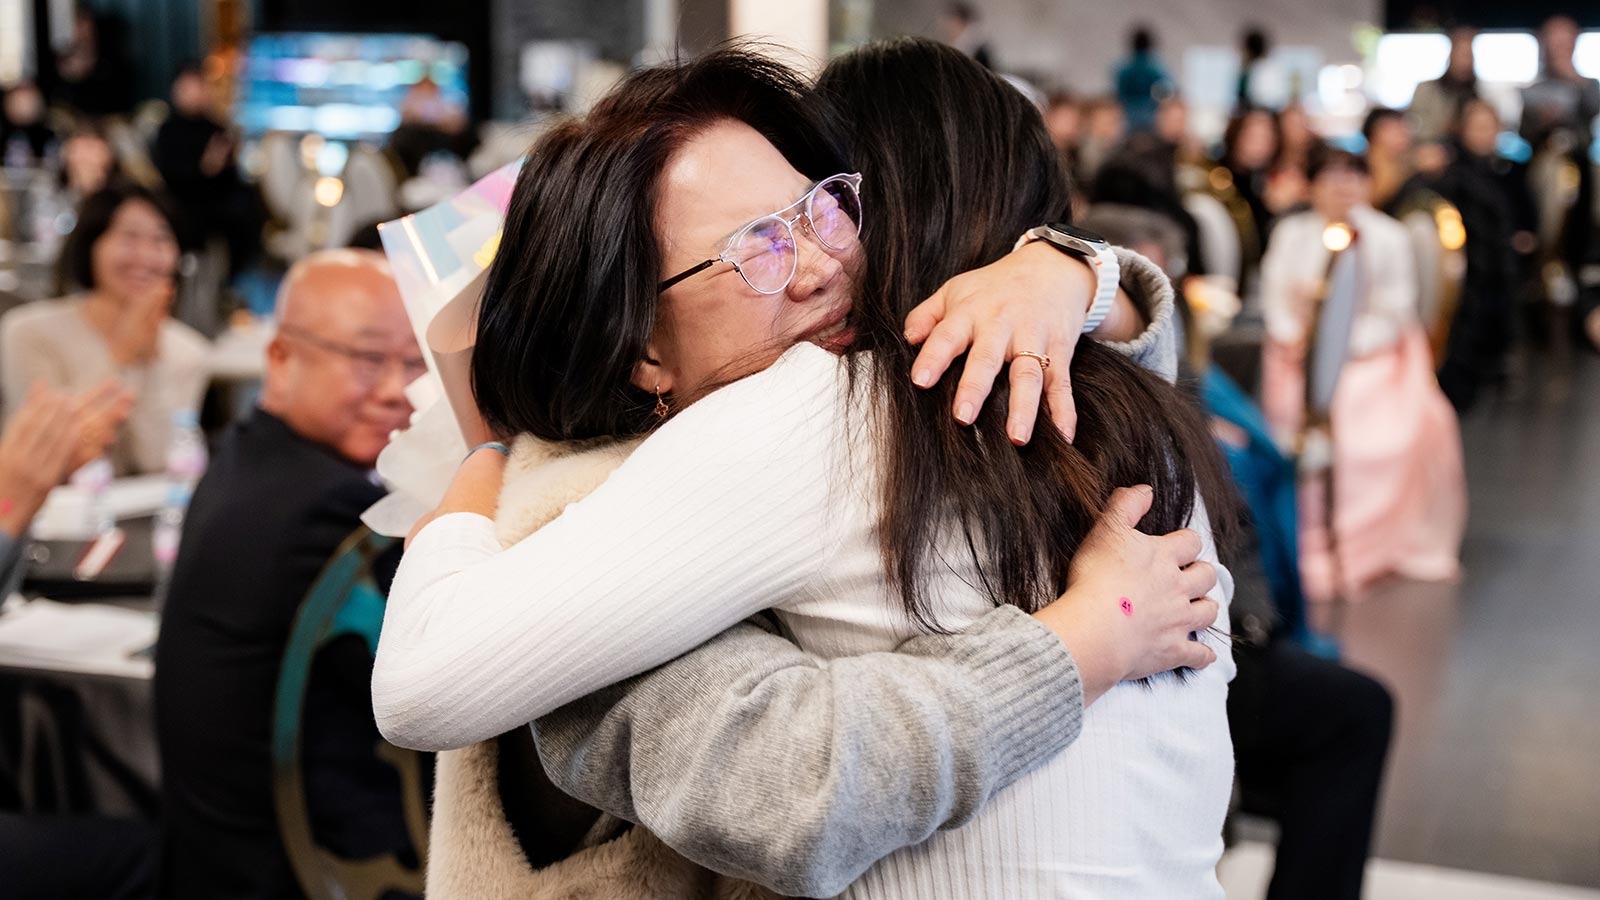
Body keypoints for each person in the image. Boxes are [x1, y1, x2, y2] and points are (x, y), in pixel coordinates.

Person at [377, 41, 1237, 898]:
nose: (826, 264)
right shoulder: (1116, 409)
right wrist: (1082, 275)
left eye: (825, 209)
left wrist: (460, 511)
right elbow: (427, 684)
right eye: (758, 248)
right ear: (640, 344)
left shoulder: (842, 402)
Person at [152, 250, 426, 900]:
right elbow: (430, 688)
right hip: (288, 876)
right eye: (367, 359)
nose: (394, 388)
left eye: (414, 364)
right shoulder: (325, 509)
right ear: (280, 359)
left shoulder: (246, 460)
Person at [1259, 147, 1466, 602]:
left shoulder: (1387, 236)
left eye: (1353, 179)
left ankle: (1359, 536)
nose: (1343, 189)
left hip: (1373, 357)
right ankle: (1301, 529)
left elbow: (1395, 309)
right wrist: (1297, 336)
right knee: (1293, 418)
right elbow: (1274, 294)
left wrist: (1343, 348)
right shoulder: (1293, 233)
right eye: (1331, 179)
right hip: (1297, 357)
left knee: (1371, 429)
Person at [0, 184, 208, 476]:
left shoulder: (189, 352)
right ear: (91, 244)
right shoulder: (28, 333)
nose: (146, 257)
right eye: (129, 237)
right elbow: (46, 452)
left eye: (161, 240)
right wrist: (120, 356)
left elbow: (160, 461)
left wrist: (150, 361)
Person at [151, 64, 263, 279]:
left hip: (218, 204)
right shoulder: (168, 130)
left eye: (198, 87)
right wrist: (205, 168)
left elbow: (232, 176)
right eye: (187, 88)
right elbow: (169, 173)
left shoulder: (216, 129)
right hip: (183, 202)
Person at [1411, 26, 1481, 144]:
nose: (1465, 61)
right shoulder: (1426, 90)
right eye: (1461, 53)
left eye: (1468, 54)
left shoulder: (1480, 92)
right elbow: (1413, 124)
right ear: (1451, 54)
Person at [1113, 26, 1172, 132]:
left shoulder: (1123, 69)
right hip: (1150, 116)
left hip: (1128, 117)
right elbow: (1166, 93)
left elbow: (1118, 94)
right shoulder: (1156, 68)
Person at [0, 82, 57, 168]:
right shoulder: (2, 133)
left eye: (28, 102)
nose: (23, 108)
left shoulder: (52, 135)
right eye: (18, 102)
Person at [939, 3, 993, 69]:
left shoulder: (976, 48)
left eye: (950, 22)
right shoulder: (957, 44)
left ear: (958, 21)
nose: (947, 28)